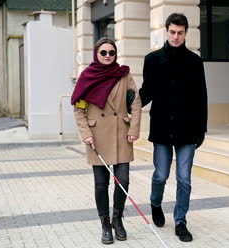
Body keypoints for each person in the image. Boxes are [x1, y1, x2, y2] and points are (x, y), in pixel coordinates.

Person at [139, 13, 208, 242]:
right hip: (161, 128)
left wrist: (201, 131)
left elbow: (201, 97)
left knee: (184, 178)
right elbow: (146, 92)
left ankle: (180, 221)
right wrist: (126, 105)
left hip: (188, 129)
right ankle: (155, 203)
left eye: (180, 33)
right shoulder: (152, 59)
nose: (176, 36)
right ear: (166, 31)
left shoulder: (195, 61)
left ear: (186, 33)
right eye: (172, 32)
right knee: (160, 175)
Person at [72, 38, 141, 245]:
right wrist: (85, 133)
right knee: (101, 184)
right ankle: (105, 224)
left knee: (124, 180)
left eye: (112, 52)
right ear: (96, 54)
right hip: (97, 136)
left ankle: (117, 219)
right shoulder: (87, 77)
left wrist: (135, 128)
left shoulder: (124, 74)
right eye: (104, 53)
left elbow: (136, 103)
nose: (108, 56)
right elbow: (79, 109)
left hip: (121, 133)